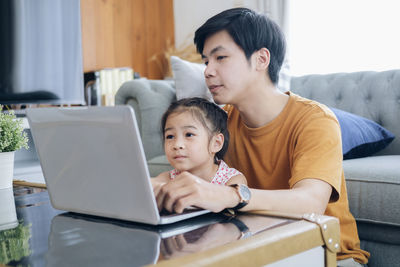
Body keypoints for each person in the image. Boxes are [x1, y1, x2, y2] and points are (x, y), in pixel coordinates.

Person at [155, 7, 370, 266]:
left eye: (220, 57)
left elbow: (311, 201)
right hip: (257, 248)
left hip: (328, 254)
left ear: (261, 59)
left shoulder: (315, 120)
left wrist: (231, 195)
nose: (208, 71)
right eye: (205, 61)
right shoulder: (219, 124)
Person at [152, 97, 247, 211]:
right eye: (170, 136)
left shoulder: (232, 180)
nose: (177, 144)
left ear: (216, 143)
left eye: (189, 134)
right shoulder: (167, 178)